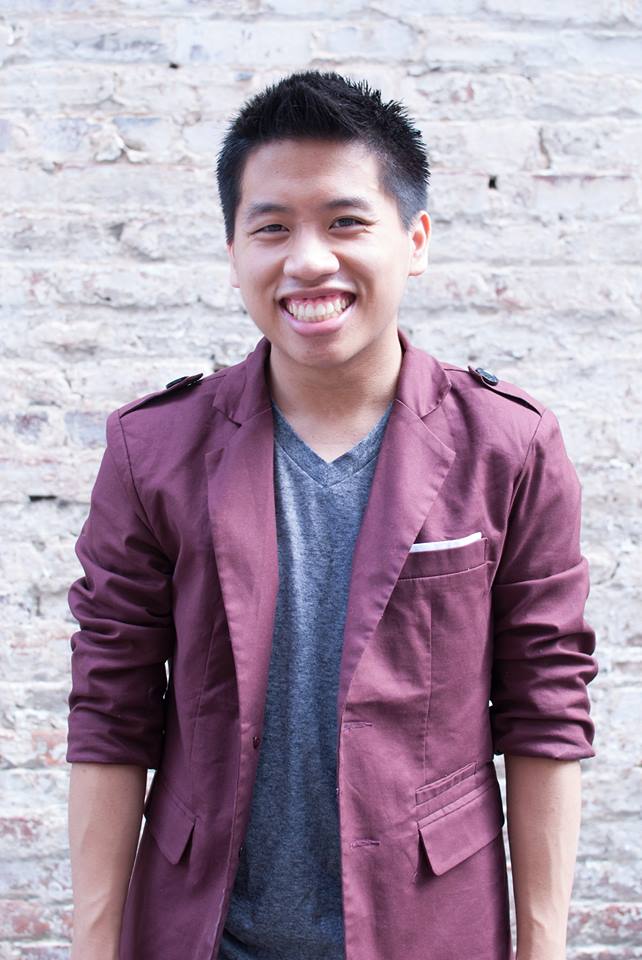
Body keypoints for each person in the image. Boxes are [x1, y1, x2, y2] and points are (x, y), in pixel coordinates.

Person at [66, 71, 597, 960]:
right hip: (202, 935)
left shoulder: (511, 446)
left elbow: (547, 711)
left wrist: (543, 950)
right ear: (234, 249)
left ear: (414, 240)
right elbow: (110, 714)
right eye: (271, 227)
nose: (308, 260)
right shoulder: (151, 452)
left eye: (346, 222)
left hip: (431, 933)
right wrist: (92, 947)